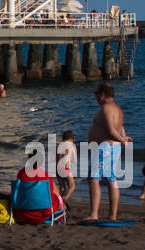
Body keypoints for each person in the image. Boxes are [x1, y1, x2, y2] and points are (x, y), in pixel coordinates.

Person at [84, 82, 131, 222]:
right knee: (111, 179)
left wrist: (122, 140)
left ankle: (94, 215)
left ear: (102, 95)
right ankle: (112, 216)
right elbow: (120, 128)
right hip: (113, 148)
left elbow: (111, 130)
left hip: (104, 148)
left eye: (96, 94)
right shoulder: (118, 109)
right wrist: (123, 138)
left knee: (93, 179)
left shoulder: (106, 108)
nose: (95, 97)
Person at [56, 130, 77, 202]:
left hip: (58, 169)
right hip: (65, 168)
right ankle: (65, 198)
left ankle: (58, 202)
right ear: (71, 139)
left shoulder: (59, 145)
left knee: (62, 188)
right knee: (72, 187)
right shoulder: (70, 145)